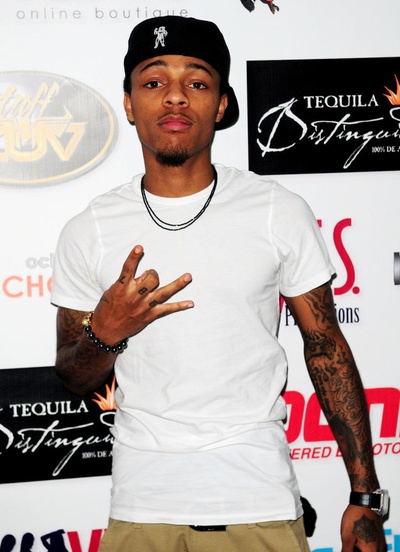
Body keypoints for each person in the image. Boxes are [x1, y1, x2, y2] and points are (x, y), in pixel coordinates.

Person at [51, 15, 388, 552]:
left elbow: (325, 346)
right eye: (154, 81)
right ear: (130, 103)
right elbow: (72, 374)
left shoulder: (278, 211)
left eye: (197, 81)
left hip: (260, 504)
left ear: (222, 104)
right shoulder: (88, 228)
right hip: (142, 509)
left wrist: (365, 496)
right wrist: (105, 334)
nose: (175, 96)